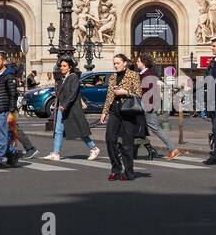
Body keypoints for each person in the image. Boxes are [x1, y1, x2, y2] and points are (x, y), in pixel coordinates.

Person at [99, 53, 144, 182]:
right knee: (110, 139)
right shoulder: (113, 77)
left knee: (126, 143)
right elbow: (109, 95)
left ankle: (129, 172)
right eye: (114, 63)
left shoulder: (133, 75)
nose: (115, 65)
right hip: (115, 110)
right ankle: (116, 169)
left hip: (128, 111)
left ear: (124, 63)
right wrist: (104, 112)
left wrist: (125, 92)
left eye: (118, 63)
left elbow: (139, 94)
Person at [47, 57, 100, 161]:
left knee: (80, 131)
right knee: (58, 131)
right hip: (63, 108)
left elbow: (73, 93)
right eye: (61, 66)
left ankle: (94, 148)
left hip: (71, 108)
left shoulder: (73, 77)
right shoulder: (65, 78)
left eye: (64, 66)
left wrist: (65, 105)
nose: (61, 68)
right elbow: (66, 92)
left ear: (70, 67)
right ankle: (56, 153)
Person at [133, 53, 179, 159]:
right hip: (145, 104)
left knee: (154, 127)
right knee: (139, 127)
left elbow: (147, 90)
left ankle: (172, 148)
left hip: (147, 105)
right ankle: (140, 151)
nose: (137, 62)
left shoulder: (148, 74)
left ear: (144, 63)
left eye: (139, 61)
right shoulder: (144, 73)